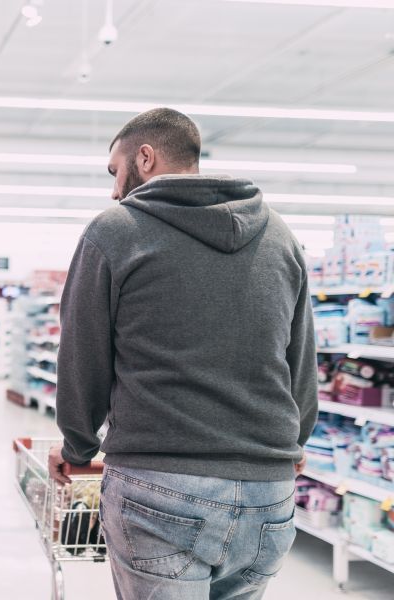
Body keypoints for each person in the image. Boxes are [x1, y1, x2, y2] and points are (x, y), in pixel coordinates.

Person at [48, 108, 317, 600]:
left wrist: (76, 447)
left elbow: (81, 355)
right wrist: (292, 441)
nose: (113, 189)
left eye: (116, 171)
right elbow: (300, 359)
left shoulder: (114, 231)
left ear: (145, 157)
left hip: (159, 486)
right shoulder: (280, 235)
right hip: (267, 494)